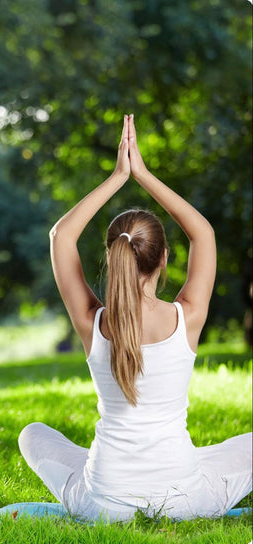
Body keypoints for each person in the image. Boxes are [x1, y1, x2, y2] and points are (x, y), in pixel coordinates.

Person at [18, 114, 252, 522]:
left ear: (112, 258)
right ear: (163, 259)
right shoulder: (187, 318)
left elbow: (60, 237)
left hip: (101, 504)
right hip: (185, 499)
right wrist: (142, 174)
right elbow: (204, 234)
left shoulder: (93, 323)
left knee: (32, 434)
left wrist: (117, 176)